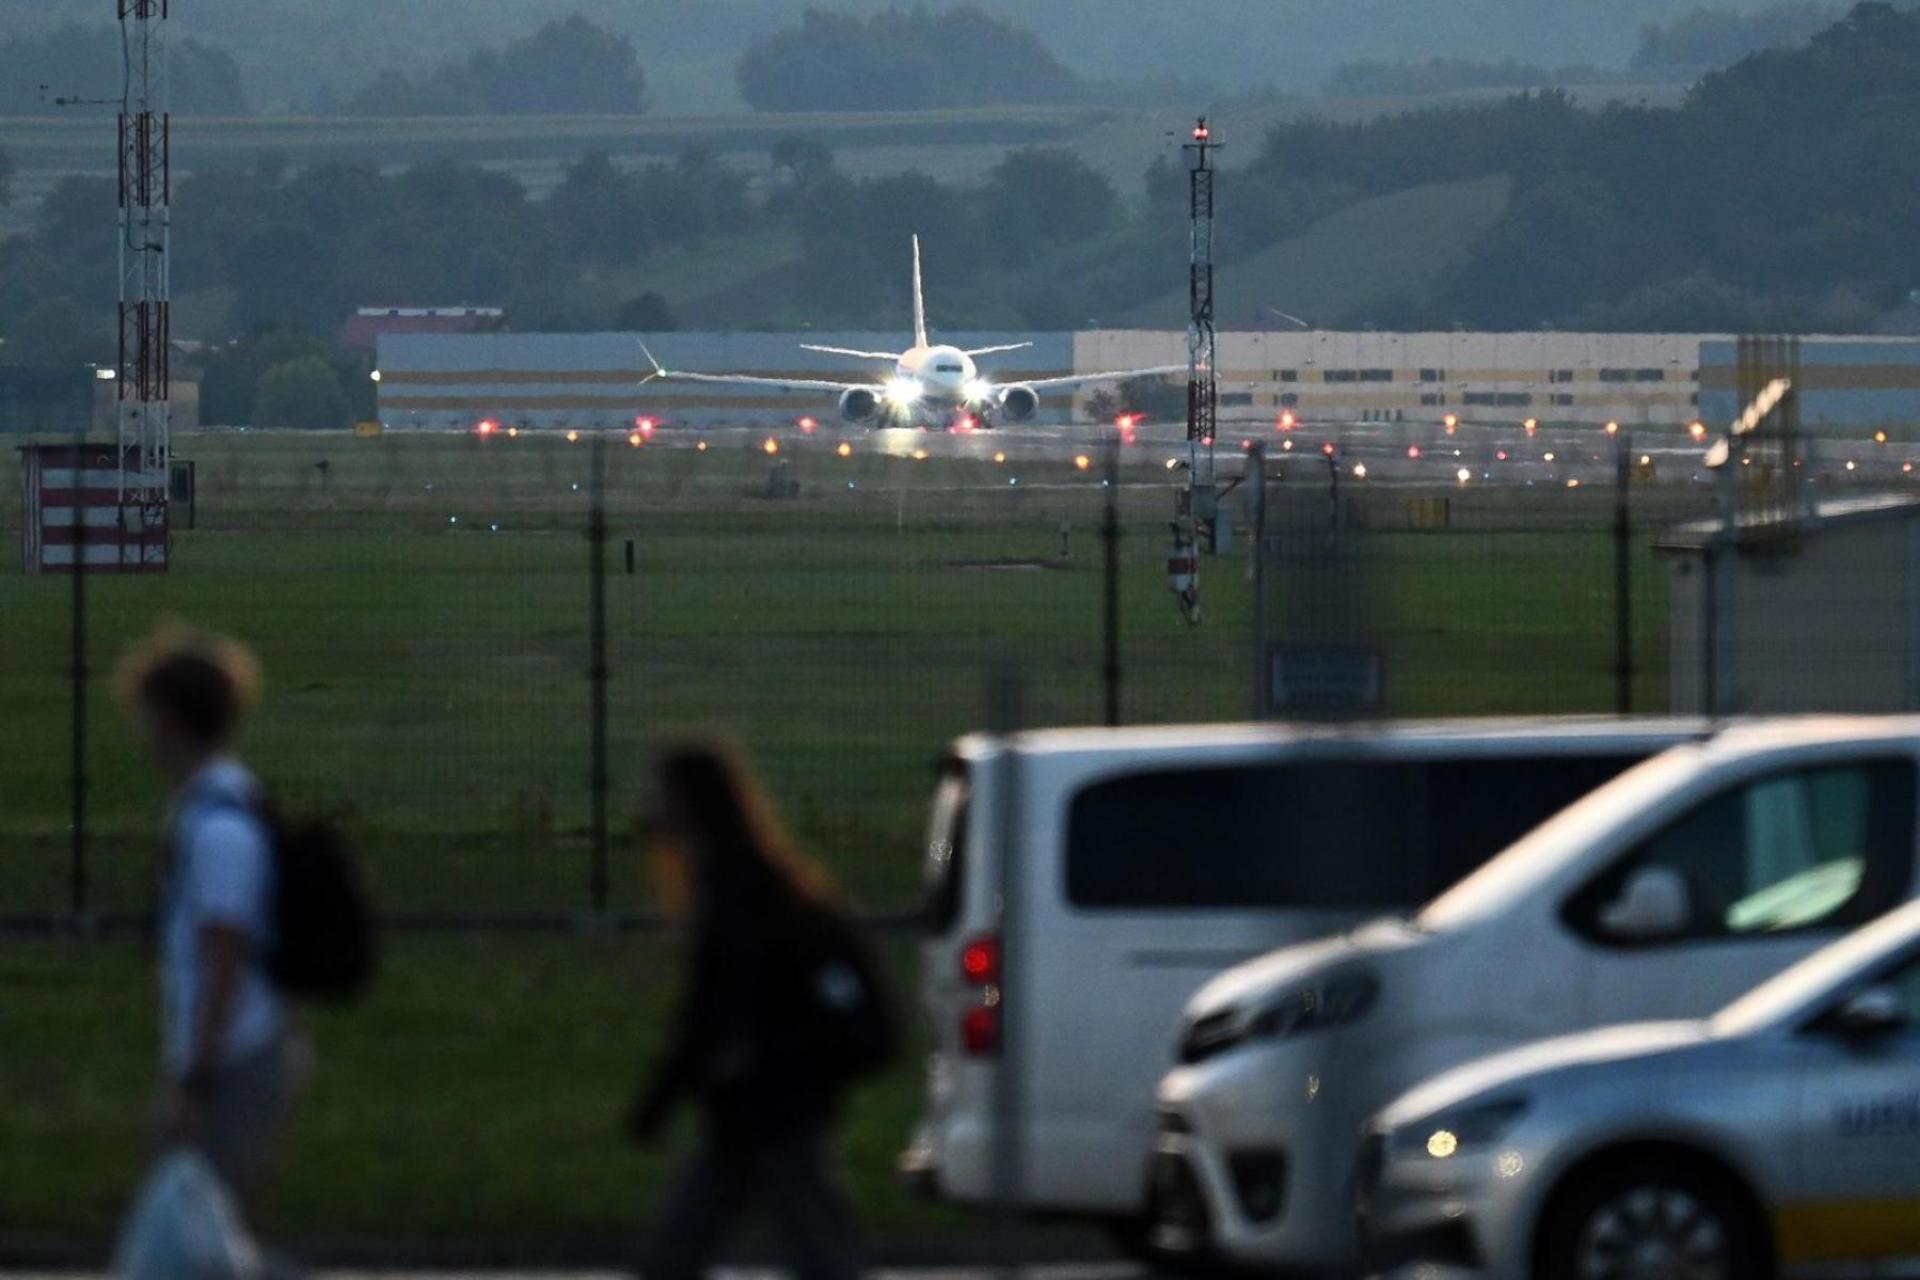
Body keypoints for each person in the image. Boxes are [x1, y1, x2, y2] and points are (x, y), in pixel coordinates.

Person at [628, 742, 895, 1280]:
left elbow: (707, 1014)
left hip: (767, 1106)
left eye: (662, 798)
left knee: (803, 1254)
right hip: (764, 1107)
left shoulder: (735, 896)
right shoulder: (759, 886)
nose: (649, 812)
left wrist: (658, 1104)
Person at [118, 628, 305, 1220]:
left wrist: (191, 1082)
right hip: (237, 1053)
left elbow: (224, 963)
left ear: (171, 723)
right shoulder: (215, 805)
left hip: (233, 1061)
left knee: (198, 1231)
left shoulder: (220, 829)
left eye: (147, 715)